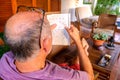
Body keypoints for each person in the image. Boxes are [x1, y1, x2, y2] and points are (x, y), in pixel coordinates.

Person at [0, 11, 94, 80]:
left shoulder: (4, 61)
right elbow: (90, 77)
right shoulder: (60, 76)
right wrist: (78, 41)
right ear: (45, 44)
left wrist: (44, 34)